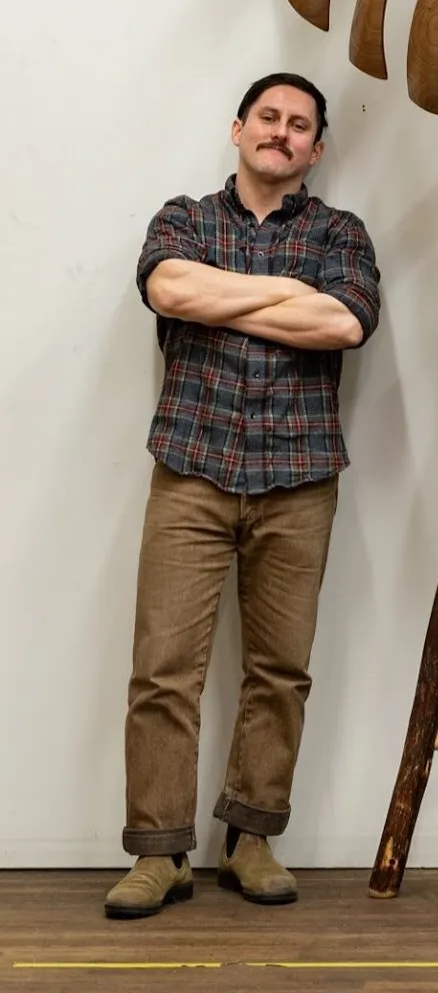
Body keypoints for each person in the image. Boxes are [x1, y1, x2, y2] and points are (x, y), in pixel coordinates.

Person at [104, 74, 380, 920]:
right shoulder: (184, 219)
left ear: (316, 148)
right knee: (162, 673)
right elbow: (170, 290)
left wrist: (233, 299)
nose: (282, 133)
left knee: (280, 672)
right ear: (238, 129)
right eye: (269, 117)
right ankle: (161, 855)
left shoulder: (342, 232)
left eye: (300, 125)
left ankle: (251, 840)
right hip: (190, 469)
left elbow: (345, 323)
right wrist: (289, 296)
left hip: (300, 480)